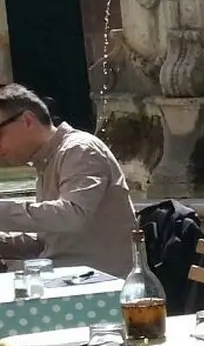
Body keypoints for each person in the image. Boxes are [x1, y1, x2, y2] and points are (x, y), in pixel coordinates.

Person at [0, 83, 136, 275]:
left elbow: (73, 215)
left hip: (99, 283)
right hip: (68, 278)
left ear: (28, 120)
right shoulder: (47, 160)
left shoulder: (80, 150)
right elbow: (49, 242)